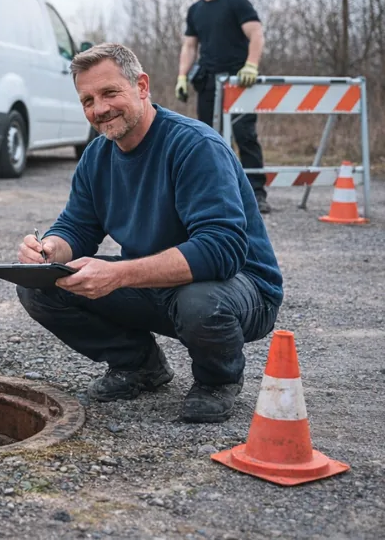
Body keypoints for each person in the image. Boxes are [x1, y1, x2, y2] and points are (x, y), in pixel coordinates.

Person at [16, 43, 282, 424]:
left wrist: (118, 274)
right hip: (157, 285)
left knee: (199, 301)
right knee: (38, 285)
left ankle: (216, 381)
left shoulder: (194, 146)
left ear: (141, 86)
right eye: (87, 100)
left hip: (240, 289)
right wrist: (47, 251)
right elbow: (78, 226)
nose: (99, 108)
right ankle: (139, 367)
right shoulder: (97, 156)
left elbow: (221, 250)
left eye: (110, 93)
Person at [175, 0, 271, 214]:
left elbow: (256, 34)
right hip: (207, 83)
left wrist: (251, 65)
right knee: (207, 139)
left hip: (238, 83)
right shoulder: (195, 10)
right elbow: (190, 45)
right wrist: (182, 75)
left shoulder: (236, 3)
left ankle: (257, 193)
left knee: (245, 136)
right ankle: (215, 192)